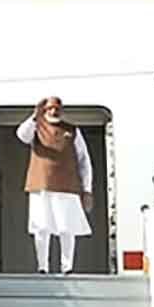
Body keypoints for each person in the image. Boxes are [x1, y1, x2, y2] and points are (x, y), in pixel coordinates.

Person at [16, 97, 93, 274]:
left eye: (57, 108)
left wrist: (87, 189)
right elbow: (22, 135)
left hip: (68, 186)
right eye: (49, 108)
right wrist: (34, 117)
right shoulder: (36, 127)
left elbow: (84, 160)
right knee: (41, 227)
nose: (53, 111)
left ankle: (67, 267)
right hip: (41, 184)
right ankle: (42, 266)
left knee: (67, 227)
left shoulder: (72, 130)